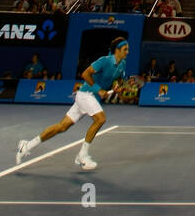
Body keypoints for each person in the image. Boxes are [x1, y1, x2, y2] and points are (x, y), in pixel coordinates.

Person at [15, 36, 130, 172]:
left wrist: (120, 91)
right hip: (86, 94)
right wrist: (99, 90)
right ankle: (82, 155)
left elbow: (118, 83)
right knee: (101, 119)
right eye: (125, 49)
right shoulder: (104, 61)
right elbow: (85, 74)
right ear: (117, 50)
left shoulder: (122, 64)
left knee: (62, 127)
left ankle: (27, 146)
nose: (127, 52)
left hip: (92, 99)